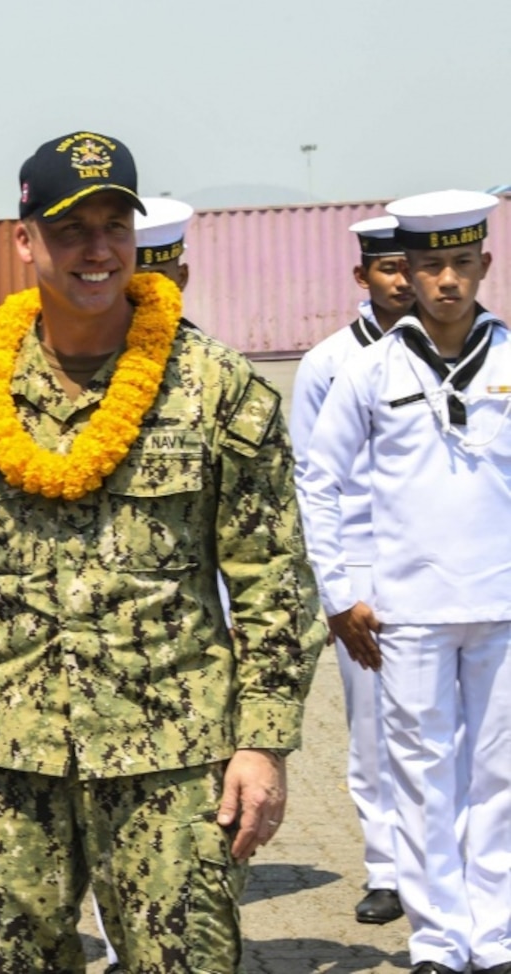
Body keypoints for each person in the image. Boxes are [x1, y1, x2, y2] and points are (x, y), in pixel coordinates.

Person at [0, 132, 325, 972]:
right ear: (25, 240)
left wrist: (264, 744)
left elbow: (273, 583)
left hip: (175, 759)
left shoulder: (217, 388)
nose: (97, 251)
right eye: (72, 229)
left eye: (115, 225)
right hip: (9, 760)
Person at [302, 190, 511, 974]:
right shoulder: (366, 370)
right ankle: (437, 941)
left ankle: (493, 937)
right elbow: (320, 482)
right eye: (430, 265)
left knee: (499, 777)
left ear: (485, 265)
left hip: (500, 601)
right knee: (423, 778)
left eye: (461, 263)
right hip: (408, 608)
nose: (447, 280)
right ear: (406, 274)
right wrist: (337, 593)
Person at [290, 215, 415, 927]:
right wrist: (332, 584)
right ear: (361, 276)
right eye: (387, 268)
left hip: (446, 561)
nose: (402, 280)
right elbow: (314, 479)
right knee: (373, 729)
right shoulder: (328, 361)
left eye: (410, 265)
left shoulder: (465, 350)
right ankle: (386, 868)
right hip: (364, 560)